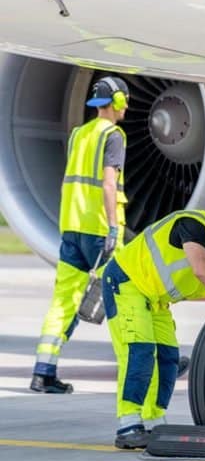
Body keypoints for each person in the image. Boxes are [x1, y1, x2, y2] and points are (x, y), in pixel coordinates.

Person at [101, 209, 205, 449]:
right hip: (128, 283)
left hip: (157, 299)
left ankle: (154, 420)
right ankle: (128, 424)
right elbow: (201, 268)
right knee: (139, 353)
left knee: (168, 359)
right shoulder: (195, 227)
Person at [30, 76, 130, 393]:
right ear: (114, 102)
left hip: (72, 227)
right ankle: (148, 362)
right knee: (125, 297)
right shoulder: (113, 135)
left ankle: (43, 372)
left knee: (64, 301)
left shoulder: (79, 134)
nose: (127, 104)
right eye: (124, 99)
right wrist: (114, 227)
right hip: (101, 230)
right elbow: (109, 184)